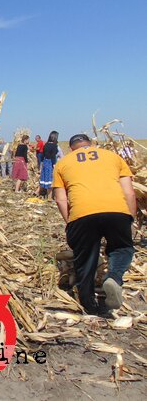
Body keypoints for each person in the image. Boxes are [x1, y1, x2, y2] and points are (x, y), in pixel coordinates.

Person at [52, 134, 136, 315]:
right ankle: (113, 278)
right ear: (92, 144)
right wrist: (130, 218)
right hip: (117, 210)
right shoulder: (113, 157)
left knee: (85, 259)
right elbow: (129, 192)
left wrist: (70, 222)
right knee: (122, 248)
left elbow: (60, 199)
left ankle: (89, 304)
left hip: (82, 214)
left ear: (71, 148)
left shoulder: (63, 163)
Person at [39, 131, 59, 197]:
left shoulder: (46, 145)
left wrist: (41, 164)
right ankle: (49, 197)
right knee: (50, 180)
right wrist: (54, 164)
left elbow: (43, 155)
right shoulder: (54, 145)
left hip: (45, 162)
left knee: (45, 179)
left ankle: (39, 193)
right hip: (50, 163)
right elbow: (53, 156)